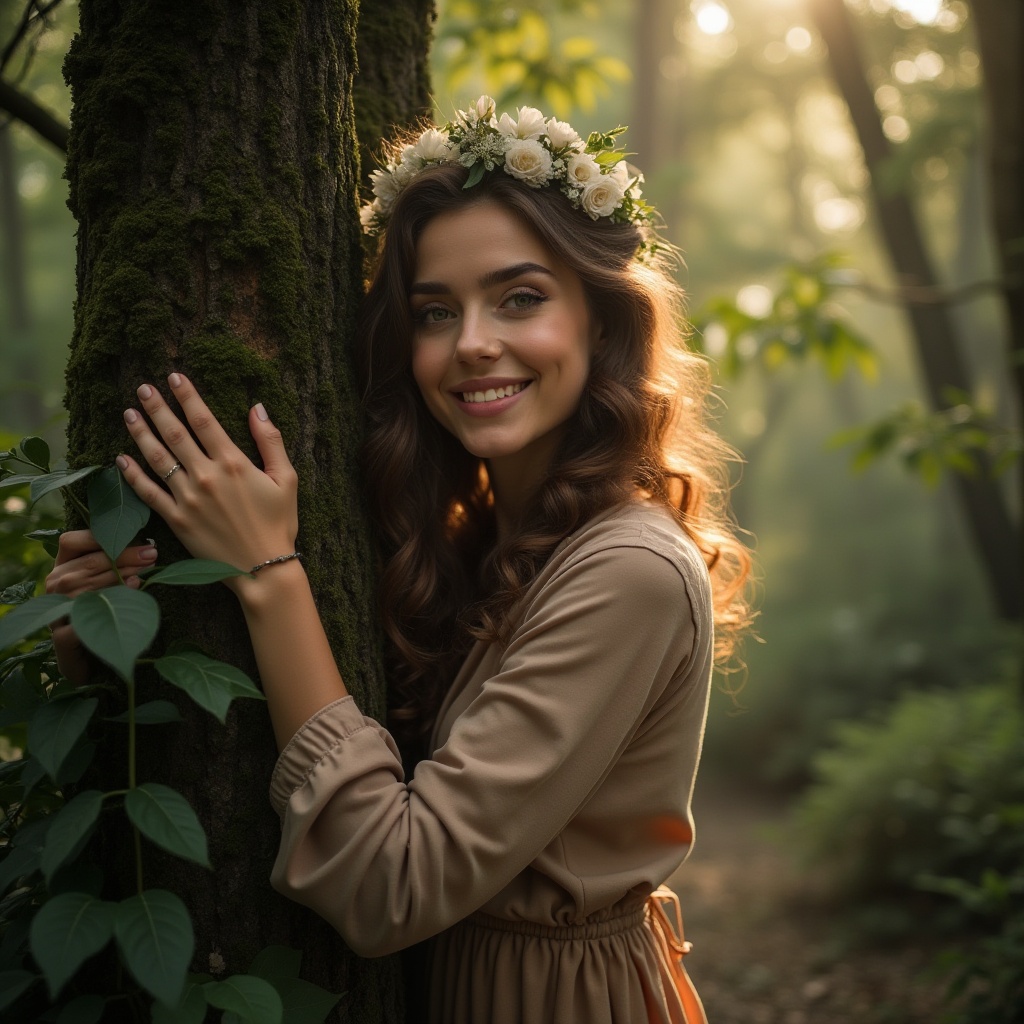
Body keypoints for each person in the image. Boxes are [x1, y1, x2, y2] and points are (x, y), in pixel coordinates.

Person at [46, 96, 752, 1024]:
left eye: (521, 298)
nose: (471, 344)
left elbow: (392, 886)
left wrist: (268, 574)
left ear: (601, 319)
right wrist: (99, 636)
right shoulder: (484, 536)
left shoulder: (629, 571)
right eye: (432, 312)